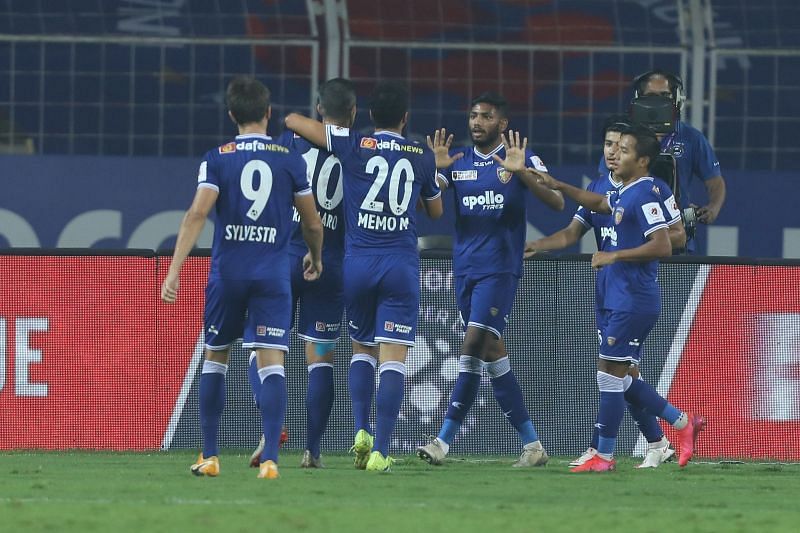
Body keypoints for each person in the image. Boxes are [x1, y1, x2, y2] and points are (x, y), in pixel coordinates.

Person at [160, 76, 324, 480]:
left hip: (228, 274)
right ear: (268, 113)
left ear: (232, 114)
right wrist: (315, 257)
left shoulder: (217, 157)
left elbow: (197, 214)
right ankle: (270, 459)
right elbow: (312, 222)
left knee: (216, 358)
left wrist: (175, 268)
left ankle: (211, 455)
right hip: (272, 275)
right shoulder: (289, 159)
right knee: (273, 363)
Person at [285, 80, 443, 472]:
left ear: (369, 116)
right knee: (394, 358)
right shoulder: (421, 155)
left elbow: (295, 123)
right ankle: (382, 452)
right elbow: (436, 212)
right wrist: (437, 173)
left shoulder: (354, 145)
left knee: (360, 348)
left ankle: (360, 428)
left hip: (356, 265)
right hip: (399, 265)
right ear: (406, 118)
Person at [532, 124, 704, 472]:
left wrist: (614, 255)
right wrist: (559, 185)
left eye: (623, 150)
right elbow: (599, 202)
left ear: (641, 160)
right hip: (617, 294)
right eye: (613, 147)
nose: (614, 154)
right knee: (618, 376)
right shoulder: (626, 191)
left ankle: (605, 454)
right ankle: (681, 425)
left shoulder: (644, 193)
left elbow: (664, 244)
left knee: (609, 374)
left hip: (633, 295)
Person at [416, 92, 564, 468]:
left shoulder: (520, 158)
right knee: (493, 354)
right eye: (473, 115)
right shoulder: (458, 161)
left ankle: (442, 440)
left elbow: (558, 203)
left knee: (471, 346)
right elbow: (428, 208)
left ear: (502, 124)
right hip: (463, 271)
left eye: (485, 116)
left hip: (499, 271)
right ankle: (533, 446)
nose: (476, 122)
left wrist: (523, 175)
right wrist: (432, 172)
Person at [247, 78, 357, 470]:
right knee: (321, 359)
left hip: (285, 258)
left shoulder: (292, 141)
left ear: (319, 109)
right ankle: (313, 450)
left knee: (263, 349)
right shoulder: (358, 149)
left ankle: (271, 424)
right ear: (354, 112)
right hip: (331, 264)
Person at [599, 70, 726, 253]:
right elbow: (606, 183)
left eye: (664, 96)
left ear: (676, 99)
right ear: (638, 99)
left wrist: (713, 208)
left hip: (676, 239)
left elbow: (715, 181)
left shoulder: (691, 138)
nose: (658, 102)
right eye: (651, 96)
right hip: (631, 236)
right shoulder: (622, 137)